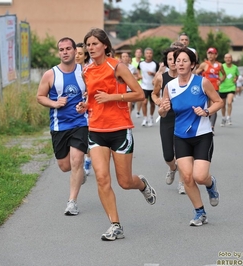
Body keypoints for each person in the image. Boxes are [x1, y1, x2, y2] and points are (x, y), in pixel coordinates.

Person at [77, 28, 157, 241]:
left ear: (105, 45)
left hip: (120, 129)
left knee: (124, 182)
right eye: (88, 45)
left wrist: (113, 97)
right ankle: (115, 225)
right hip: (96, 130)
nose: (90, 48)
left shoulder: (117, 66)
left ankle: (141, 183)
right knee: (102, 179)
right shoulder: (86, 70)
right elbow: (92, 98)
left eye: (94, 44)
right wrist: (84, 105)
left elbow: (139, 94)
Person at [158, 47, 223, 226]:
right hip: (180, 136)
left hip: (202, 135)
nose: (180, 63)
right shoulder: (169, 87)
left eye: (184, 60)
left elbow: (219, 101)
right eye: (177, 60)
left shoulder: (202, 83)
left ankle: (211, 184)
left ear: (193, 64)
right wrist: (162, 110)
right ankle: (200, 212)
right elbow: (162, 112)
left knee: (200, 176)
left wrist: (207, 111)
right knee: (187, 177)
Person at [37, 37, 88, 216]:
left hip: (81, 123)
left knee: (77, 160)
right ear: (59, 52)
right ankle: (79, 174)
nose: (65, 52)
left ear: (75, 51)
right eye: (61, 49)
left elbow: (93, 94)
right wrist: (55, 103)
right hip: (59, 125)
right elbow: (40, 96)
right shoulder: (50, 74)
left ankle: (72, 202)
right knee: (65, 166)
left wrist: (86, 105)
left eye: (68, 48)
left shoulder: (85, 72)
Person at [151, 45, 186, 194]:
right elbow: (154, 93)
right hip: (166, 117)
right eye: (170, 59)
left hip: (183, 118)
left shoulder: (185, 77)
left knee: (181, 153)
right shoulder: (161, 77)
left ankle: (182, 183)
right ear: (166, 61)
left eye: (175, 59)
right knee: (168, 155)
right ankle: (172, 168)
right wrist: (158, 101)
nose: (173, 62)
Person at [195, 47, 226, 134]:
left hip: (215, 88)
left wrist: (220, 80)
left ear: (216, 55)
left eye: (212, 53)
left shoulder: (219, 65)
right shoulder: (204, 64)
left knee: (214, 107)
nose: (210, 55)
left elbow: (224, 75)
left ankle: (211, 127)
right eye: (209, 53)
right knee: (206, 107)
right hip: (204, 89)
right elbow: (196, 73)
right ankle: (206, 125)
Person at [75, 42, 92, 176]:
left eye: (80, 53)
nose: (77, 56)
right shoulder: (70, 70)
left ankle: (88, 160)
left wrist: (88, 93)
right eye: (75, 53)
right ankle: (80, 167)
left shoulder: (89, 70)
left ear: (85, 55)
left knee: (88, 139)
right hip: (74, 111)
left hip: (89, 109)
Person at [138, 47, 159, 127]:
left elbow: (158, 75)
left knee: (152, 104)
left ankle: (151, 117)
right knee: (144, 102)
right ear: (144, 54)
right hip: (144, 86)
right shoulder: (141, 63)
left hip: (153, 87)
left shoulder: (155, 64)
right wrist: (139, 75)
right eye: (147, 53)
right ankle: (145, 118)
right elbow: (138, 71)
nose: (149, 55)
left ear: (152, 54)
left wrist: (153, 74)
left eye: (150, 53)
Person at [219, 53, 239, 126]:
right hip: (222, 87)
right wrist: (219, 80)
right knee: (223, 105)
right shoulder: (221, 66)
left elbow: (237, 75)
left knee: (229, 102)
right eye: (226, 58)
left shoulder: (235, 67)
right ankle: (223, 118)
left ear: (231, 59)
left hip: (231, 87)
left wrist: (235, 79)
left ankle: (229, 117)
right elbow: (217, 75)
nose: (228, 59)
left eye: (229, 57)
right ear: (224, 59)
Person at [131, 48, 144, 118]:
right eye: (137, 52)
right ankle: (132, 105)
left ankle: (138, 111)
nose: (138, 53)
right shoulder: (132, 61)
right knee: (132, 97)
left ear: (141, 54)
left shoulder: (143, 61)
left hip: (141, 82)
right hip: (132, 81)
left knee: (140, 97)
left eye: (140, 52)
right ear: (135, 53)